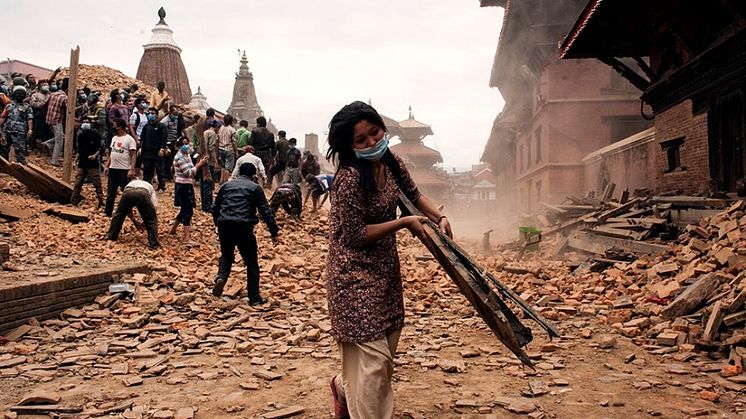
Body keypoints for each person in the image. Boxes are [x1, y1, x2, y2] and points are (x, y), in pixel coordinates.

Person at [325, 101, 452, 419]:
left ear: (382, 129)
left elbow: (413, 192)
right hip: (352, 275)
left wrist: (439, 215)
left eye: (374, 133)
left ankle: (343, 386)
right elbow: (354, 235)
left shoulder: (392, 161)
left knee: (385, 352)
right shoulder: (350, 179)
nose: (371, 143)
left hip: (385, 272)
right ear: (349, 146)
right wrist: (403, 222)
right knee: (375, 363)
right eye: (361, 140)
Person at [211, 162, 279, 306]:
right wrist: (274, 232)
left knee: (227, 255)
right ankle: (254, 297)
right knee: (251, 262)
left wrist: (218, 223)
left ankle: (221, 278)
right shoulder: (255, 188)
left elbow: (216, 207)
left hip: (225, 224)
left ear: (239, 172)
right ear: (253, 175)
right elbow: (265, 211)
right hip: (244, 226)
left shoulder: (226, 186)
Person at [170, 141, 209, 245]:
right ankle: (187, 238)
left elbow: (192, 169)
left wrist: (198, 164)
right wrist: (199, 165)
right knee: (188, 211)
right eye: (183, 143)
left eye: (187, 143)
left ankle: (173, 229)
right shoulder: (179, 157)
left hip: (186, 184)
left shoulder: (186, 155)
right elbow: (188, 172)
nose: (186, 145)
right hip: (183, 185)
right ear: (178, 145)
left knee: (184, 208)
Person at [105, 178, 160, 249]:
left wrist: (134, 221)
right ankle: (153, 243)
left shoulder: (129, 184)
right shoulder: (150, 186)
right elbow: (154, 206)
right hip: (142, 192)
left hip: (128, 191)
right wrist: (145, 221)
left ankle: (111, 236)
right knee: (151, 220)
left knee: (119, 215)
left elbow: (127, 209)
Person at [104, 119, 137, 217]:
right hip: (113, 168)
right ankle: (108, 212)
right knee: (111, 192)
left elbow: (133, 155)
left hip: (124, 169)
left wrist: (132, 169)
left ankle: (129, 212)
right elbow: (112, 153)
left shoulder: (129, 139)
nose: (113, 127)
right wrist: (107, 165)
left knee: (126, 192)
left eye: (114, 125)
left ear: (120, 126)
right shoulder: (114, 138)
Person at [70, 121, 104, 207]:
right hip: (82, 163)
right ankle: (73, 202)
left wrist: (94, 155)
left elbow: (99, 149)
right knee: (78, 183)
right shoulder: (80, 136)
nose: (85, 123)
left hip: (92, 164)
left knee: (97, 184)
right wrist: (75, 161)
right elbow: (79, 150)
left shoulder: (96, 136)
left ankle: (101, 201)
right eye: (84, 122)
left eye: (87, 122)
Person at [0, 87, 33, 164]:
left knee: (20, 150)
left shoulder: (27, 106)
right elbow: (3, 117)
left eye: (21, 93)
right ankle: (4, 168)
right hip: (6, 131)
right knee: (3, 149)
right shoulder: (9, 106)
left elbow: (30, 118)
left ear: (24, 95)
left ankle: (21, 169)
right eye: (17, 93)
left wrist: (30, 129)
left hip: (19, 132)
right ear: (14, 94)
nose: (19, 95)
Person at [139, 108, 167, 192]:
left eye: (153, 113)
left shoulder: (161, 126)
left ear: (157, 115)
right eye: (149, 113)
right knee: (147, 170)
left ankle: (161, 186)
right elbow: (142, 138)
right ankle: (146, 186)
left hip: (157, 152)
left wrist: (162, 148)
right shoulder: (146, 126)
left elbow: (164, 138)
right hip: (147, 152)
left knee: (159, 170)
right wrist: (141, 148)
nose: (151, 115)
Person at [42, 77, 68, 166]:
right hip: (57, 120)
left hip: (49, 119)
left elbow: (45, 104)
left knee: (61, 137)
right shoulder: (65, 97)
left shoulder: (52, 94)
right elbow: (70, 110)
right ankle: (54, 161)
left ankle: (46, 144)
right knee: (59, 141)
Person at [199, 119, 220, 211]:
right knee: (209, 183)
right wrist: (215, 161)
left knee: (203, 183)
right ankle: (208, 206)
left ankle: (204, 205)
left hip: (203, 160)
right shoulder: (213, 134)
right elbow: (211, 148)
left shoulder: (205, 132)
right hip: (209, 161)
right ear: (217, 127)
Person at [160, 104, 186, 181]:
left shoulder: (175, 119)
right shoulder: (165, 121)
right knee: (166, 159)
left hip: (173, 141)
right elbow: (162, 133)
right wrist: (165, 145)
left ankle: (169, 175)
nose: (176, 115)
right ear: (171, 112)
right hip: (167, 142)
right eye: (175, 113)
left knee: (172, 159)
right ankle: (165, 176)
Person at [249, 116, 275, 182]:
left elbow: (250, 143)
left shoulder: (254, 131)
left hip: (256, 153)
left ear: (258, 124)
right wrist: (272, 157)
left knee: (255, 170)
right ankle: (264, 184)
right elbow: (273, 147)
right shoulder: (270, 134)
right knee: (265, 171)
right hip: (267, 154)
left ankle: (256, 183)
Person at [217, 114, 238, 181]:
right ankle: (225, 183)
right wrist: (236, 151)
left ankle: (221, 180)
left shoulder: (220, 128)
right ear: (231, 121)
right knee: (228, 168)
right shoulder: (232, 130)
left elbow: (217, 139)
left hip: (221, 149)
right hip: (229, 150)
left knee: (222, 166)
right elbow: (234, 142)